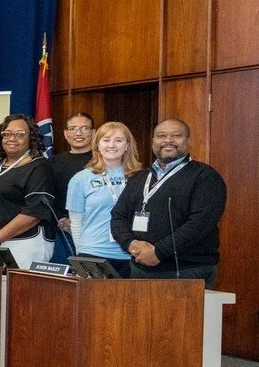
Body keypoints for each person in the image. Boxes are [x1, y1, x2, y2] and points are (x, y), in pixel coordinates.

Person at [111, 118, 227, 287]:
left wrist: (158, 252)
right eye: (161, 136)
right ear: (153, 142)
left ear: (188, 141)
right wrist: (131, 244)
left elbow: (199, 225)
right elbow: (118, 217)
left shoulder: (205, 177)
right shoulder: (139, 177)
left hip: (187, 271)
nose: (168, 140)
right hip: (139, 269)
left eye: (176, 135)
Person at [0, 114, 56, 268]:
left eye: (19, 134)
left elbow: (34, 213)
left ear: (31, 138)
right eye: (7, 134)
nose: (11, 139)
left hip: (24, 244)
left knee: (18, 284)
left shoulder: (39, 167)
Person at [65, 121, 141, 278]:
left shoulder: (140, 177)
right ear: (97, 145)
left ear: (127, 145)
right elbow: (76, 223)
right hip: (93, 253)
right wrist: (81, 255)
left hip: (131, 254)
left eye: (118, 140)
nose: (111, 145)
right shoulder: (80, 179)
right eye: (106, 140)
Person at [49, 112, 97, 262]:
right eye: (72, 129)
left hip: (94, 231)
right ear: (65, 133)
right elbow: (48, 196)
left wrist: (77, 224)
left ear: (93, 132)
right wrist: (62, 220)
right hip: (61, 231)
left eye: (85, 128)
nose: (78, 133)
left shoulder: (102, 161)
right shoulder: (52, 162)